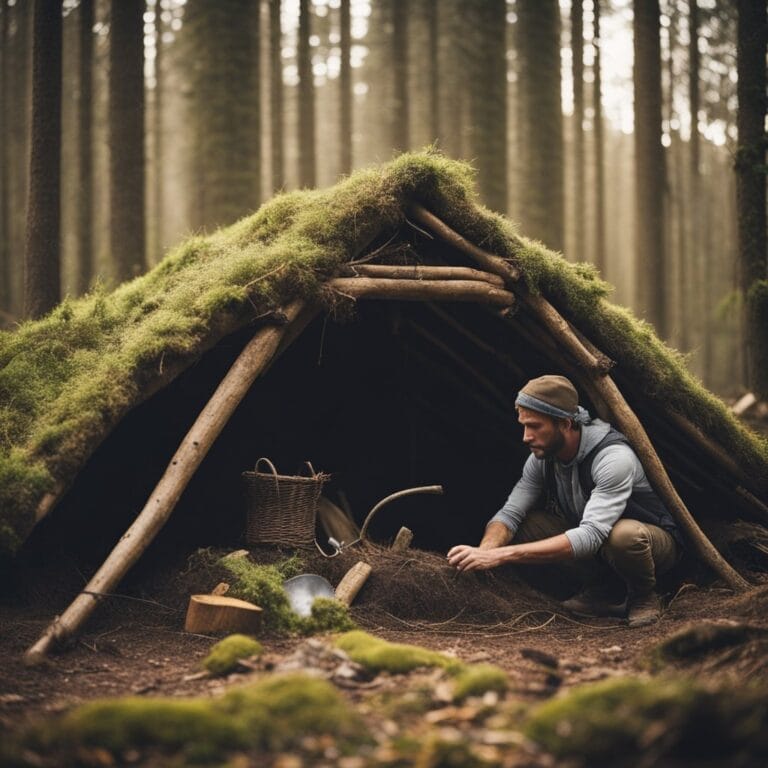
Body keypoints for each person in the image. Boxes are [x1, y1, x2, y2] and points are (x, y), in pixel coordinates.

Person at [447, 374, 682, 627]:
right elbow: (510, 513)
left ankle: (643, 596)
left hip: (650, 546)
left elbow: (591, 535)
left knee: (623, 536)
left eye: (535, 426)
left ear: (566, 424)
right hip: (600, 549)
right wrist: (486, 551)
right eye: (524, 425)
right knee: (529, 525)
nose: (526, 436)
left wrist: (503, 555)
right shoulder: (542, 458)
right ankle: (602, 591)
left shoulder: (612, 458)